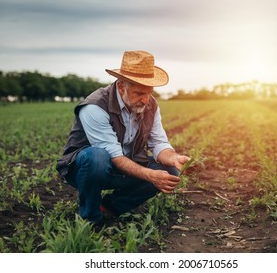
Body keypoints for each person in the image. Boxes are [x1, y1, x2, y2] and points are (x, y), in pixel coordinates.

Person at [56, 50, 190, 226]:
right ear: (121, 86)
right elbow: (114, 157)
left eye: (149, 92)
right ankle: (90, 220)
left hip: (125, 165)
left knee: (170, 171)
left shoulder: (150, 105)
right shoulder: (95, 106)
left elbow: (158, 143)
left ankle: (110, 208)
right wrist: (150, 175)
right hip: (87, 169)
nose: (145, 100)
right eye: (139, 93)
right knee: (97, 156)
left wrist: (174, 158)